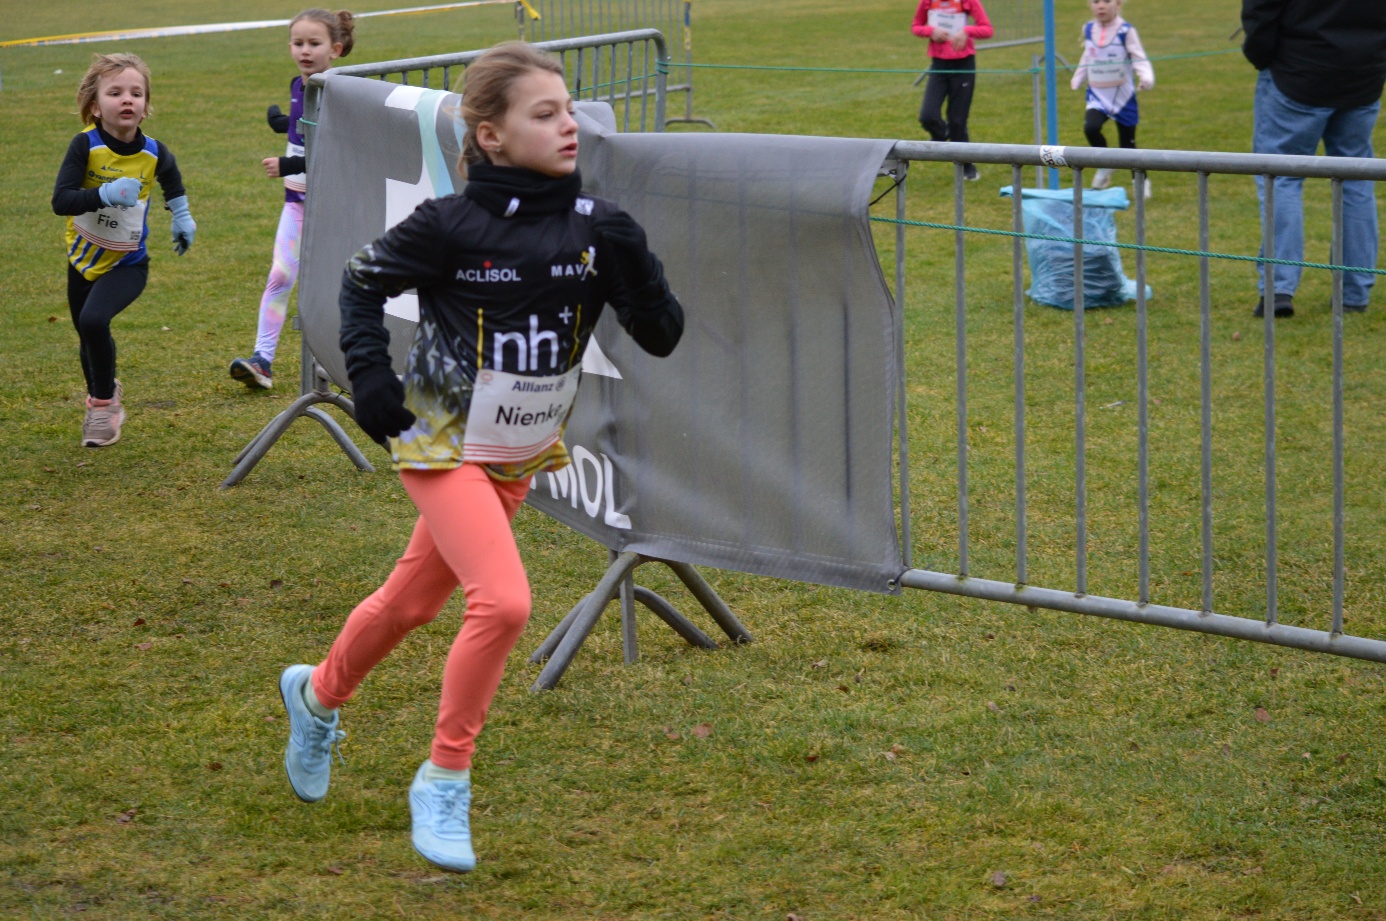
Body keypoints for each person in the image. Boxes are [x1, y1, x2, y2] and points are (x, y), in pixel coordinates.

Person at [277, 42, 685, 873]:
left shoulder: (595, 226)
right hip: (438, 438)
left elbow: (661, 334)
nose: (568, 123)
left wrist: (637, 263)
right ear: (492, 137)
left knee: (410, 603)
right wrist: (369, 373)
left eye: (569, 108)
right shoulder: (450, 224)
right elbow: (360, 281)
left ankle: (317, 694)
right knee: (501, 602)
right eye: (545, 114)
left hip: (516, 452)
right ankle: (445, 775)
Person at [51, 53, 195, 448]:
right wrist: (104, 194)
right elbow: (61, 201)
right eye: (115, 93)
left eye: (136, 93)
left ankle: (102, 406)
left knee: (95, 321)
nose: (127, 99)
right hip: (82, 260)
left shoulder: (154, 151)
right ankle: (103, 391)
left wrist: (181, 215)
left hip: (129, 263)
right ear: (95, 106)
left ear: (146, 106)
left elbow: (170, 176)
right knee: (87, 333)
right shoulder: (85, 146)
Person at [230, 9, 355, 391]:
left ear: (334, 48)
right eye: (298, 43)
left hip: (336, 206)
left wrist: (288, 163)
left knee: (346, 283)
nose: (305, 51)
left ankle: (357, 363)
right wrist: (282, 122)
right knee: (281, 274)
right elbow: (304, 125)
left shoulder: (339, 90)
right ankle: (262, 360)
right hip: (297, 203)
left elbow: (333, 147)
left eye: (314, 44)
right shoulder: (298, 84)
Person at [1243, 0, 1386, 318]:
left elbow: (1260, 11)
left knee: (1280, 175)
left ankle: (1279, 287)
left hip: (1301, 71)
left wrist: (1262, 54)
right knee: (1356, 177)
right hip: (1362, 71)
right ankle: (1354, 292)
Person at [1069, 0, 1154, 196]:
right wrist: (1078, 76)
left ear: (1118, 4)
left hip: (1123, 97)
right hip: (1098, 95)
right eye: (1095, 2)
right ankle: (1105, 164)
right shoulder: (1088, 29)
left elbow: (1138, 56)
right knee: (1091, 128)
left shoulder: (1126, 31)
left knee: (1127, 146)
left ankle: (1141, 181)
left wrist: (1146, 77)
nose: (1101, 6)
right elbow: (1088, 55)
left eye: (1107, 1)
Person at [911, 0, 994, 181]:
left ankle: (967, 166)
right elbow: (916, 26)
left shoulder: (968, 2)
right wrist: (930, 31)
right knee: (927, 116)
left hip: (964, 65)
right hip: (939, 66)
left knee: (957, 120)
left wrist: (967, 31)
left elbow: (987, 29)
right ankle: (941, 134)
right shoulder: (928, 2)